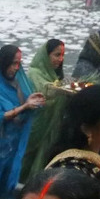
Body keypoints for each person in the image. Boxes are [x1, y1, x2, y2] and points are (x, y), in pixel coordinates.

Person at [0, 45, 45, 199]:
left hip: (12, 147)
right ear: (3, 64)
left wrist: (32, 102)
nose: (16, 68)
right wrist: (25, 106)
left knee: (6, 191)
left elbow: (24, 106)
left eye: (18, 63)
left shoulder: (18, 84)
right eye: (12, 64)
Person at [19, 39, 67, 184]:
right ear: (46, 56)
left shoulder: (55, 75)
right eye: (57, 55)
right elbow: (44, 90)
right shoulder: (34, 72)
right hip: (36, 124)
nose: (60, 59)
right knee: (28, 158)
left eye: (62, 55)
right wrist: (62, 89)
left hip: (51, 125)